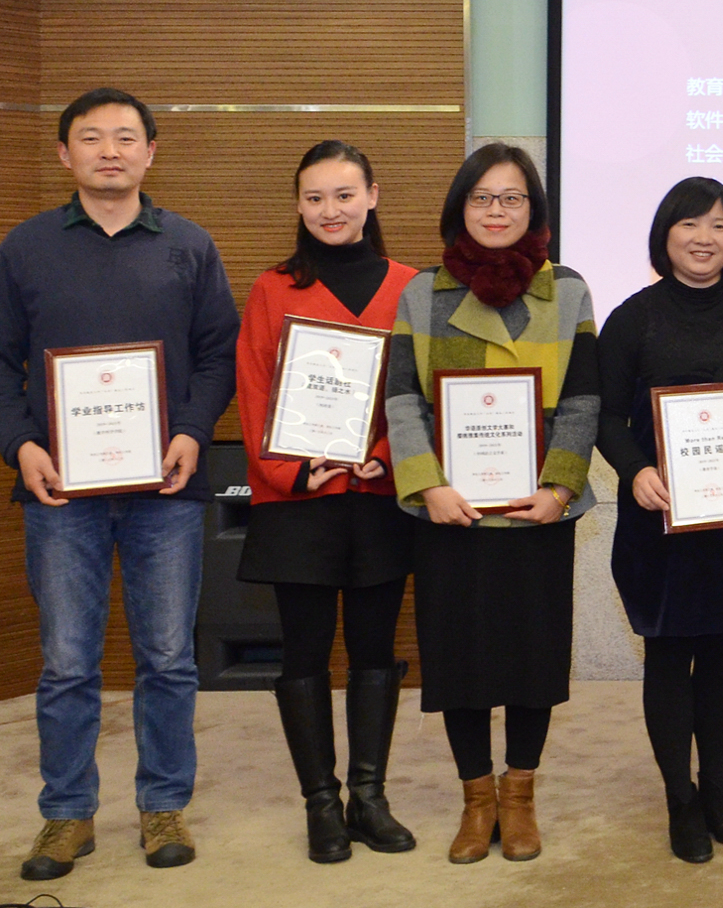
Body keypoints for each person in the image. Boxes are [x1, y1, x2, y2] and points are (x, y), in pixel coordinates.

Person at [1, 88, 238, 879]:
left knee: (168, 656)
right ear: (64, 153)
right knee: (67, 660)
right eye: (92, 137)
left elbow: (218, 353)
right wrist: (20, 444)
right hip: (60, 492)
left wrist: (191, 430)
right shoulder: (25, 247)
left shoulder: (189, 245)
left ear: (150, 151)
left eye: (126, 137)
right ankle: (66, 815)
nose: (110, 150)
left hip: (163, 490)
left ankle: (163, 802)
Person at [385, 143, 600, 863]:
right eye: (483, 197)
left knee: (534, 657)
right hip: (453, 513)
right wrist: (429, 484)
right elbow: (402, 399)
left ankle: (520, 795)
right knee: (461, 660)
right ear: (460, 207)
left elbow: (583, 399)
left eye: (512, 198)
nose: (497, 210)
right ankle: (477, 801)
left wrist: (560, 485)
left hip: (537, 508)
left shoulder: (567, 289)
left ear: (533, 209)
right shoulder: (424, 292)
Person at [597, 178, 723, 865]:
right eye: (690, 224)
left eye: (719, 225)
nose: (704, 238)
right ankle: (678, 799)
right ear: (665, 234)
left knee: (721, 653)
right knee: (666, 651)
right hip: (659, 515)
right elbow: (606, 416)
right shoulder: (632, 318)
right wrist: (634, 470)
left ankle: (716, 789)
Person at [235, 141, 420, 863]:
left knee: (375, 648)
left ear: (372, 195)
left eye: (344, 195)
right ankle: (321, 802)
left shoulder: (410, 287)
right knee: (305, 649)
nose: (330, 210)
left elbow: (423, 391)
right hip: (300, 503)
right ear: (298, 205)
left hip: (378, 497)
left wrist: (393, 456)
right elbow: (254, 388)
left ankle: (369, 798)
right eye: (314, 198)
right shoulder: (273, 288)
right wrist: (289, 469)